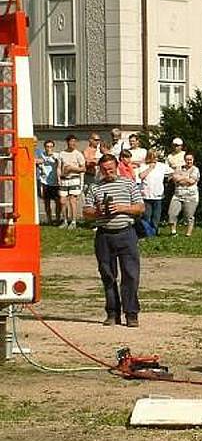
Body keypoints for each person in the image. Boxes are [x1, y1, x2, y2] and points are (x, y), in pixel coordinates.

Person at [83, 154, 145, 327]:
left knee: (130, 275)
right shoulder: (95, 187)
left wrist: (122, 208)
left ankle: (131, 313)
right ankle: (112, 313)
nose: (108, 172)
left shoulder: (128, 183)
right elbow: (85, 212)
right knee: (108, 276)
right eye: (104, 170)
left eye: (110, 169)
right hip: (104, 236)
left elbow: (140, 207)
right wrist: (97, 212)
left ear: (117, 166)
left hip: (126, 233)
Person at [138, 149, 173, 234]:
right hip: (146, 195)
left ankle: (154, 230)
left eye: (156, 157)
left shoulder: (162, 166)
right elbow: (141, 176)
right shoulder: (143, 166)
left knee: (156, 216)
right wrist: (150, 168)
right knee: (147, 216)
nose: (154, 159)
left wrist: (169, 178)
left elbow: (172, 172)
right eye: (153, 156)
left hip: (158, 195)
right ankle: (147, 231)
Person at [168, 152, 200, 237]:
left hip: (191, 196)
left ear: (193, 160)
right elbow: (175, 179)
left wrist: (181, 178)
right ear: (184, 160)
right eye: (187, 159)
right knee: (172, 213)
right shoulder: (179, 168)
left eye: (190, 159)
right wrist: (186, 177)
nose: (189, 161)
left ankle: (188, 234)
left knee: (189, 215)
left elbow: (191, 182)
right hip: (178, 195)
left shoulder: (195, 169)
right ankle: (173, 232)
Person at [57, 134, 85, 229]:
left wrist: (72, 168)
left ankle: (73, 221)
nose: (73, 143)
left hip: (74, 179)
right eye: (71, 141)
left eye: (74, 141)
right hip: (64, 179)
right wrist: (59, 178)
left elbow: (83, 168)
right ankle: (65, 220)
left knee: (73, 200)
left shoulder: (78, 154)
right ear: (67, 142)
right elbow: (59, 167)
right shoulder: (62, 154)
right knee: (62, 201)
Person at [35, 139, 60, 225]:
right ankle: (49, 220)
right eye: (47, 146)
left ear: (53, 147)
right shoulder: (41, 155)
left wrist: (53, 158)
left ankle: (57, 219)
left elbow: (60, 162)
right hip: (45, 182)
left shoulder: (56, 155)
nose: (49, 148)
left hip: (55, 182)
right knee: (47, 202)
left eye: (51, 147)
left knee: (57, 202)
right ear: (45, 147)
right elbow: (36, 161)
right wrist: (42, 160)